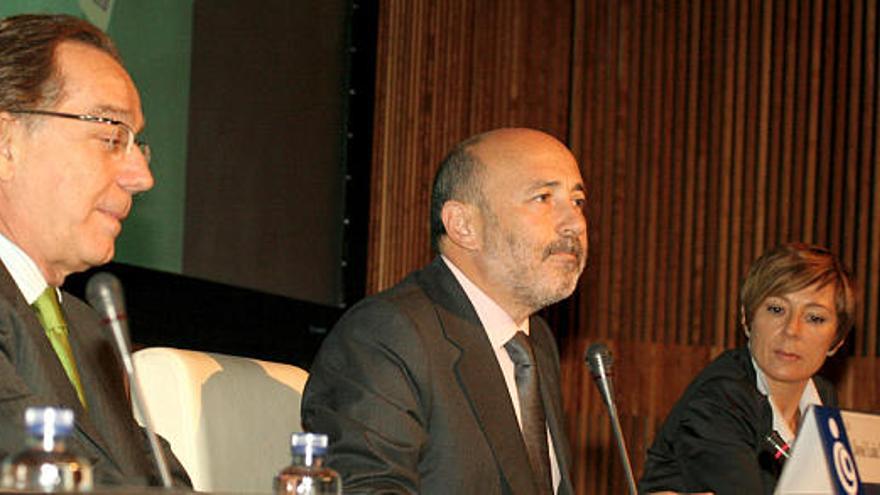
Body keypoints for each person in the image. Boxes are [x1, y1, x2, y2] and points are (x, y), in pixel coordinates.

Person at [302, 128, 586, 494]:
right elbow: (367, 487)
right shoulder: (387, 335)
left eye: (578, 201)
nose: (573, 223)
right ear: (464, 225)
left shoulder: (536, 342)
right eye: (543, 197)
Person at [0, 14, 189, 487]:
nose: (142, 178)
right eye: (110, 137)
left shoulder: (87, 329)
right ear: (6, 143)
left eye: (136, 144)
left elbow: (160, 481)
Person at [639, 243, 857, 495]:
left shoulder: (822, 399)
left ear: (837, 341)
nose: (792, 330)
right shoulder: (719, 402)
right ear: (747, 319)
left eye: (814, 318)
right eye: (777, 309)